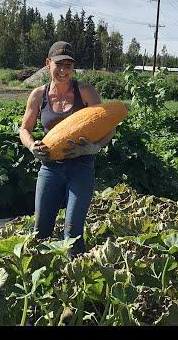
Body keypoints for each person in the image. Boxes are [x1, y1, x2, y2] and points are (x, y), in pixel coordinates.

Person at [19, 41, 116, 256]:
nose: (63, 71)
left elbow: (109, 126)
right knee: (41, 231)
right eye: (58, 65)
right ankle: (43, 279)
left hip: (81, 168)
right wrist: (31, 145)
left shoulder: (85, 92)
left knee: (73, 234)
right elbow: (24, 129)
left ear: (73, 68)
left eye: (68, 66)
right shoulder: (38, 95)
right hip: (50, 168)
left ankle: (74, 278)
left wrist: (95, 148)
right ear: (48, 64)